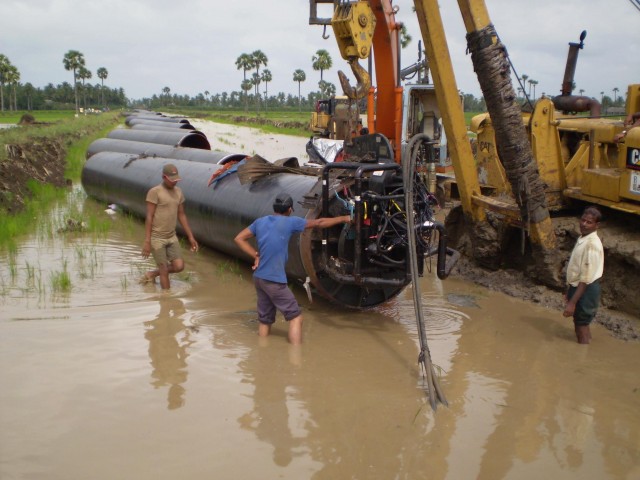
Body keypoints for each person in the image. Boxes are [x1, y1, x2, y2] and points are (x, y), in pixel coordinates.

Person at [234, 192, 350, 345]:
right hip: (274, 280)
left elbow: (239, 238)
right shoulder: (290, 222)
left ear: (275, 208)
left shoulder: (260, 222)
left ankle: (262, 355)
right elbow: (319, 222)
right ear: (289, 209)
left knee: (265, 320)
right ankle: (295, 358)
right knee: (296, 318)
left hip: (259, 278)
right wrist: (344, 218)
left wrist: (256, 255)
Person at [141, 163, 198, 289]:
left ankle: (151, 274)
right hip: (157, 238)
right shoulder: (155, 192)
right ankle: (166, 301)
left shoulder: (178, 192)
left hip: (171, 236)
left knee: (179, 266)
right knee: (164, 270)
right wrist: (147, 241)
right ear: (163, 177)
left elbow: (181, 215)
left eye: (176, 180)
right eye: (172, 180)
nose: (174, 182)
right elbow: (149, 216)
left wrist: (191, 237)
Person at [563, 206, 604, 344]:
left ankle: (583, 352)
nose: (584, 224)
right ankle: (586, 343)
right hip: (580, 287)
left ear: (596, 225)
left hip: (586, 289)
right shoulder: (584, 238)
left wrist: (572, 303)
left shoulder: (591, 245)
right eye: (583, 220)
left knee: (581, 323)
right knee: (580, 321)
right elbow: (578, 271)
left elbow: (585, 278)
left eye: (589, 222)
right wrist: (569, 292)